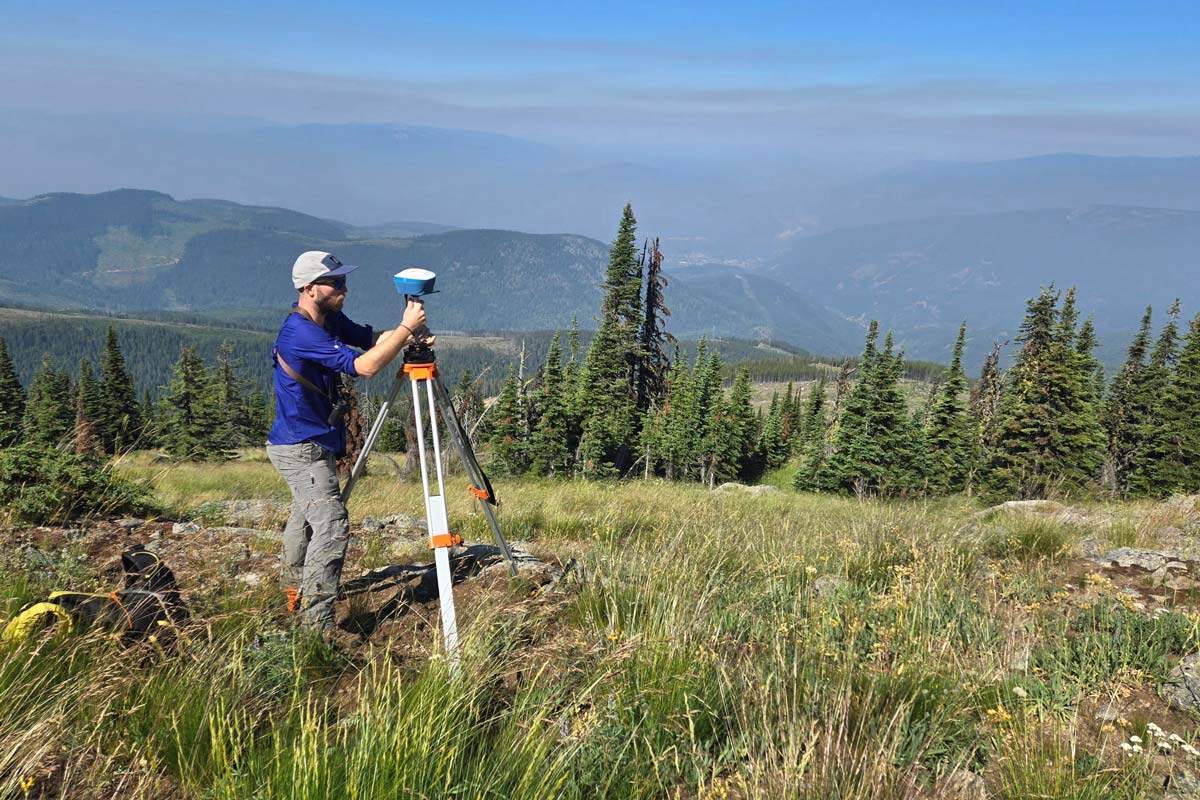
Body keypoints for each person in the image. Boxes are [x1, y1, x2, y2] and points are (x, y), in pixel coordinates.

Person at [266, 250, 428, 631]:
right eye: (335, 282)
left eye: (343, 280)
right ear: (308, 288)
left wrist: (409, 335)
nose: (344, 288)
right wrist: (405, 330)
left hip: (309, 441)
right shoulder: (301, 332)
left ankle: (293, 590)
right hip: (300, 447)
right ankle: (315, 627)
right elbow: (366, 366)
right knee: (332, 524)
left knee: (305, 516)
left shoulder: (328, 319)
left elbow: (374, 341)